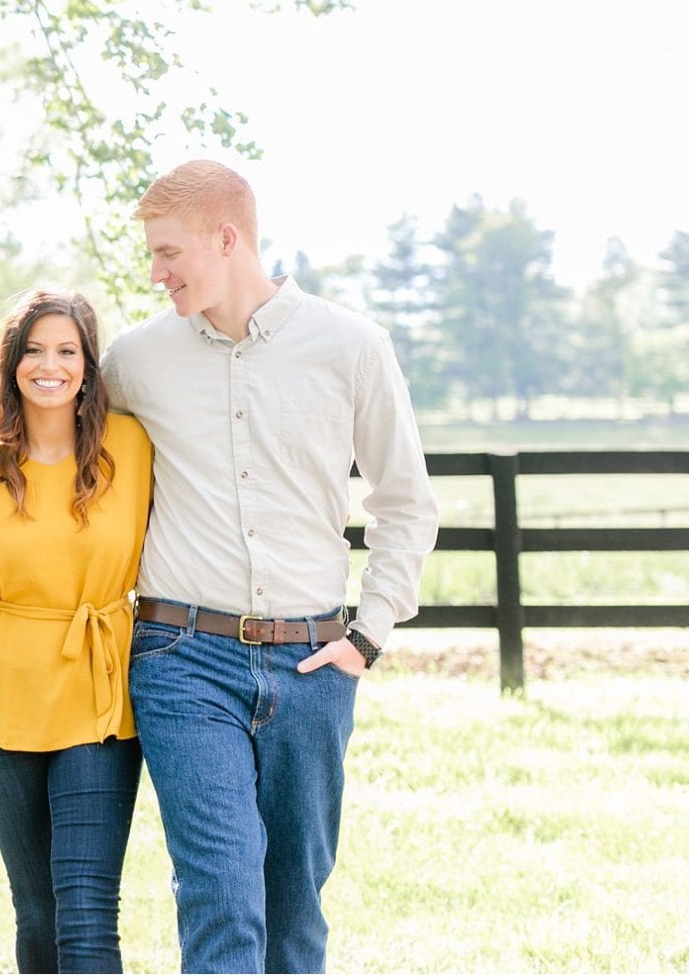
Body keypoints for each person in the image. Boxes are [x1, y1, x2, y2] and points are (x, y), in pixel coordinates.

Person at [100, 159, 440, 973]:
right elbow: (55, 436)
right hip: (182, 658)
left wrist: (369, 635)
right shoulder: (135, 360)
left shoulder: (352, 345)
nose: (157, 273)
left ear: (228, 238)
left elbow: (405, 500)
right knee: (219, 890)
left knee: (294, 904)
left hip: (314, 661)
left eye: (169, 252)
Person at [0, 288, 154, 974]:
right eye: (35, 350)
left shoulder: (130, 446)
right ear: (12, 363)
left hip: (98, 699)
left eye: (67, 351)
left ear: (88, 364)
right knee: (37, 909)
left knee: (88, 907)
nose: (51, 365)